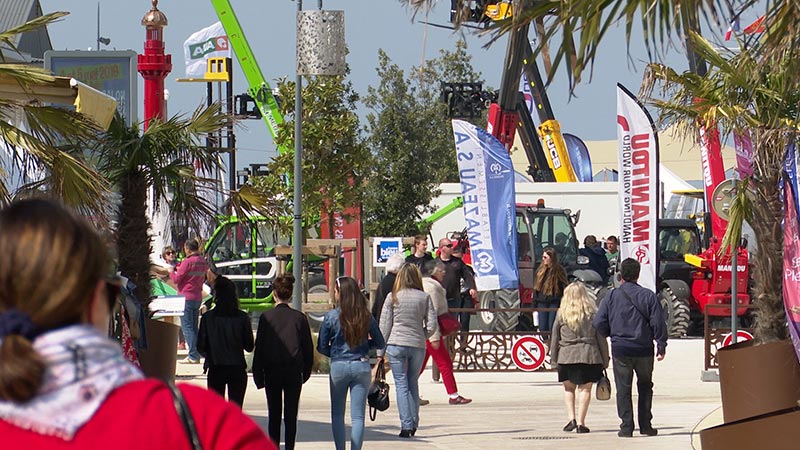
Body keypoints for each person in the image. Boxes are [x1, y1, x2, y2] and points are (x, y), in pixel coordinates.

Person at [0, 198, 274, 449]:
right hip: (196, 308)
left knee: (190, 328)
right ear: (97, 299)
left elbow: (177, 282)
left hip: (187, 302)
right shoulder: (203, 423)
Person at [593, 258, 667, 438]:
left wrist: (612, 334)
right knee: (645, 386)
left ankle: (626, 426)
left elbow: (598, 322)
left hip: (621, 349)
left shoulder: (611, 296)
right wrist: (661, 344)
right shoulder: (648, 296)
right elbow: (658, 323)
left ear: (621, 275)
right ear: (638, 274)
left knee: (623, 388)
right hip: (643, 349)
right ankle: (645, 425)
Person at [317, 276, 385, 450]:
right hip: (360, 364)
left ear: (341, 293)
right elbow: (380, 342)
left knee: (337, 413)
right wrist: (363, 346)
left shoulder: (331, 317)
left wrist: (333, 352)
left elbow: (322, 346)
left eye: (336, 290)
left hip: (339, 364)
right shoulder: (365, 315)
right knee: (358, 416)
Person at [252, 275, 314, 450]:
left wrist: (258, 374)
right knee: (291, 414)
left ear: (274, 294)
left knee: (274, 414)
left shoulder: (266, 317)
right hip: (293, 371)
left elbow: (260, 347)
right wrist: (306, 371)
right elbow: (307, 348)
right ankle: (290, 447)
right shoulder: (299, 318)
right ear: (291, 295)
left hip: (272, 370)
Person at [378, 264, 438, 438]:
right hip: (417, 344)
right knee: (413, 382)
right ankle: (414, 422)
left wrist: (380, 352)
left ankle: (406, 425)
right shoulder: (424, 297)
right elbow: (433, 325)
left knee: (401, 384)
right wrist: (422, 334)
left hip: (396, 343)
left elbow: (384, 326)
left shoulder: (392, 297)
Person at [549, 282, 610, 434]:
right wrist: (605, 359)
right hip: (589, 355)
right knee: (585, 389)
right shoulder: (592, 314)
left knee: (568, 389)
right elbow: (601, 338)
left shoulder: (561, 314)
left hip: (567, 356)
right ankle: (582, 423)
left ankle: (571, 419)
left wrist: (554, 360)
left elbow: (555, 338)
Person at [419, 260, 472, 405]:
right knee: (444, 363)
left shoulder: (432, 285)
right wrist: (434, 336)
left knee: (419, 364)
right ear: (433, 272)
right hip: (431, 333)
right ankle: (453, 395)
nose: (444, 272)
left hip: (428, 333)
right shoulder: (431, 287)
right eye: (441, 270)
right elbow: (432, 312)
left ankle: (408, 390)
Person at [197, 275, 254, 408]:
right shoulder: (242, 318)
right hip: (237, 367)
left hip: (216, 367)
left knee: (216, 411)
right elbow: (249, 346)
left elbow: (200, 346)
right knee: (236, 410)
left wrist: (210, 354)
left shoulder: (207, 318)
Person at [171, 238, 209, 364]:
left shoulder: (187, 262)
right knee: (194, 327)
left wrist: (171, 272)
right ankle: (197, 352)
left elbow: (176, 279)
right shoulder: (202, 261)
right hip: (197, 296)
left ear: (187, 248)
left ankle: (193, 355)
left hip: (185, 297)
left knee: (187, 327)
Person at [436, 237, 476, 332]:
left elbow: (467, 275)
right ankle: (444, 346)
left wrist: (472, 288)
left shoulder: (457, 262)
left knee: (453, 324)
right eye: (449, 246)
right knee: (440, 324)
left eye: (451, 246)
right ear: (441, 248)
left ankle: (455, 345)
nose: (451, 248)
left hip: (454, 298)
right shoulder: (434, 263)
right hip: (440, 298)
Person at [534, 247, 568, 333]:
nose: (543, 259)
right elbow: (536, 288)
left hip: (554, 302)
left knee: (552, 326)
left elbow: (564, 286)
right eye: (543, 257)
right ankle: (545, 343)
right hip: (541, 302)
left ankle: (552, 344)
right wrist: (533, 305)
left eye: (545, 257)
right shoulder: (540, 271)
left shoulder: (559, 271)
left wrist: (563, 302)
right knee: (542, 327)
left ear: (551, 258)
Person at [373, 253, 405, 321]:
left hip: (381, 319)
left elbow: (376, 306)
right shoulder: (398, 282)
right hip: (391, 321)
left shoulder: (384, 281)